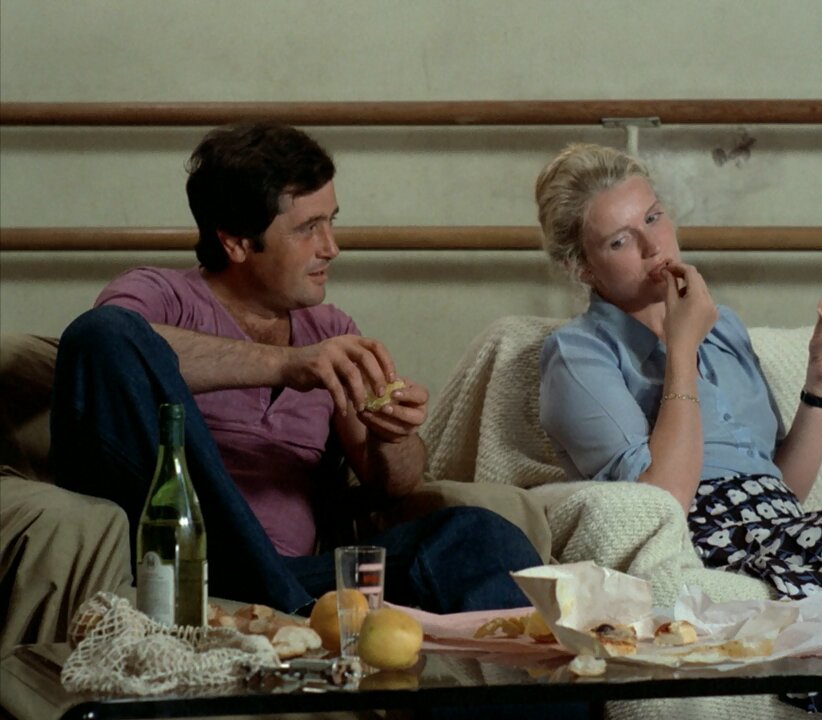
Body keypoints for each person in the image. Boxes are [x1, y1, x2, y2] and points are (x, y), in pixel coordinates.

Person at [49, 122, 542, 618]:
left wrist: (393, 436)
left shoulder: (331, 330)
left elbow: (392, 485)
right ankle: (284, 608)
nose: (331, 247)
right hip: (184, 570)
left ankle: (551, 677)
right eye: (308, 228)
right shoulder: (160, 296)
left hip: (297, 579)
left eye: (331, 222)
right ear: (236, 242)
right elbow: (106, 349)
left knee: (481, 536)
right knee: (103, 331)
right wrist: (286, 364)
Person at [534, 143, 822, 719]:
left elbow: (782, 486)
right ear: (582, 267)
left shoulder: (724, 326)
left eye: (654, 217)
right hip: (707, 533)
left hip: (782, 524)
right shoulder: (578, 354)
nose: (654, 247)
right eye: (620, 241)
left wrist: (820, 381)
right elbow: (664, 501)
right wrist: (681, 346)